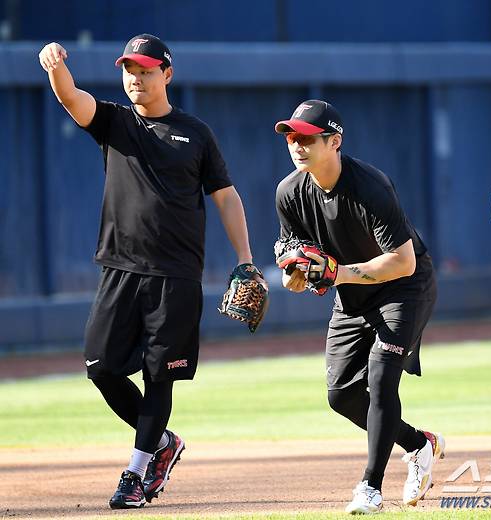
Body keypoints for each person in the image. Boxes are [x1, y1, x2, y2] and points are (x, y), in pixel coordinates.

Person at [38, 34, 264, 509]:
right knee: (100, 367)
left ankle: (136, 472)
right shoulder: (115, 122)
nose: (136, 78)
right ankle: (163, 443)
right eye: (129, 70)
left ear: (167, 74)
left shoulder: (195, 133)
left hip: (177, 274)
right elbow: (71, 98)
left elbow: (226, 197)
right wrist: (56, 67)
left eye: (145, 69)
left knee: (159, 377)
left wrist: (245, 258)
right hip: (119, 268)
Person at [273, 100, 444, 514]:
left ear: (334, 141)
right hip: (351, 296)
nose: (297, 144)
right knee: (341, 396)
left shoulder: (370, 185)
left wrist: (336, 274)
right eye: (291, 137)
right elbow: (294, 273)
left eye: (307, 137)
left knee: (383, 378)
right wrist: (295, 276)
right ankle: (419, 444)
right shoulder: (289, 192)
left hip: (404, 287)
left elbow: (402, 262)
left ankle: (370, 487)